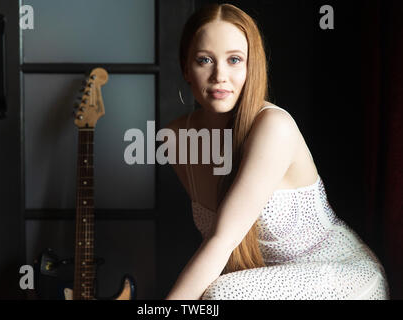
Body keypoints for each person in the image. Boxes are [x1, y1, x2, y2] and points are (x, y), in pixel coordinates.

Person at [164, 3, 389, 300]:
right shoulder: (177, 138)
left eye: (234, 59)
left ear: (251, 66)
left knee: (222, 294)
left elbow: (222, 240)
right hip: (265, 282)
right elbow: (221, 249)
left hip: (343, 275)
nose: (220, 75)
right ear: (185, 68)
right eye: (205, 60)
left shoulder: (273, 126)